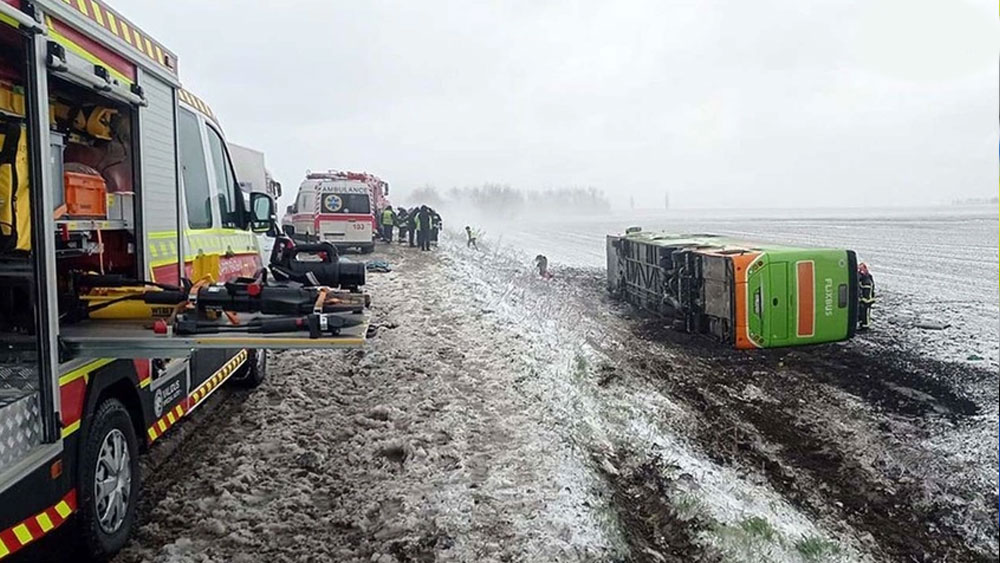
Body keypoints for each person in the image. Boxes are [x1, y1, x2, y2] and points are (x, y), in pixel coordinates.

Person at [858, 262, 875, 331]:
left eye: (861, 269)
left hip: (867, 299)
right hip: (864, 299)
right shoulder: (864, 277)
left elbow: (867, 290)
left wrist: (864, 299)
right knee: (862, 313)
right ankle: (863, 324)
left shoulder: (867, 279)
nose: (860, 271)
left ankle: (866, 326)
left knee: (866, 313)